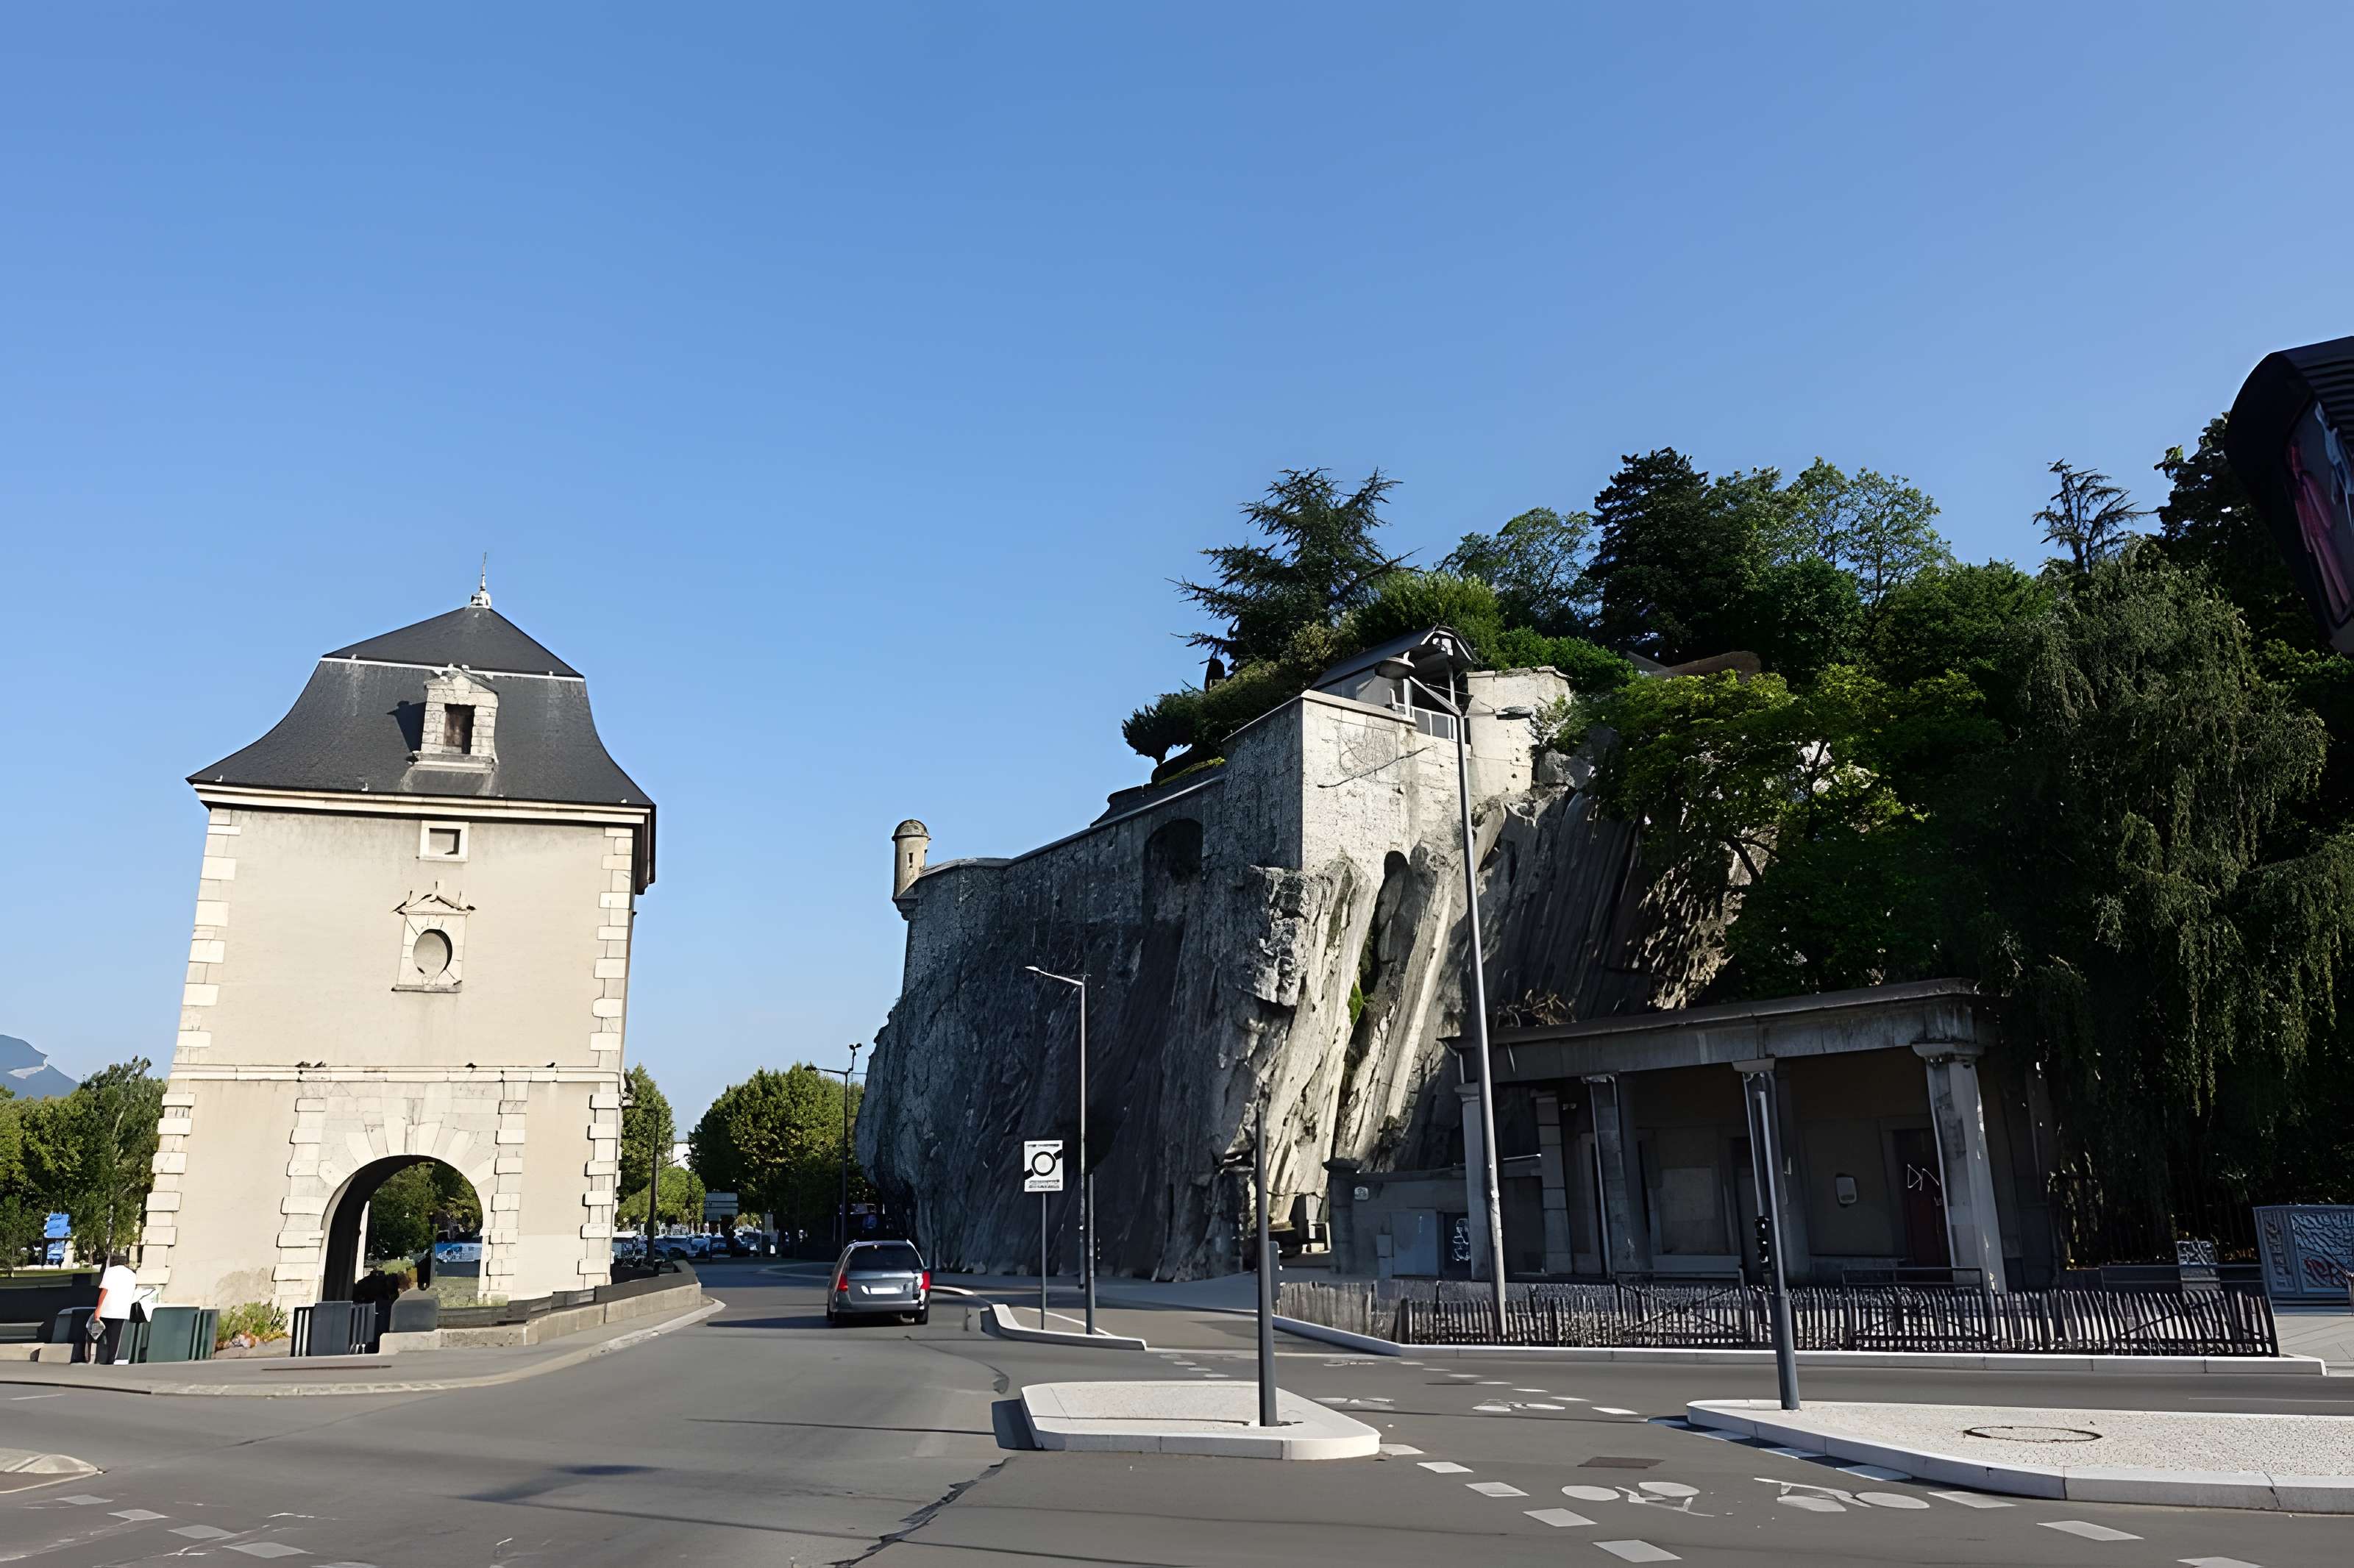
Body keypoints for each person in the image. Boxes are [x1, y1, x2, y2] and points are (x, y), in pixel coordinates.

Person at [92, 1251, 138, 1365]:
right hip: (122, 1310)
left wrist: (98, 1308)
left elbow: (105, 1290)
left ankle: (99, 1358)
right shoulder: (132, 1274)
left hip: (107, 1308)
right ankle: (111, 1359)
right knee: (115, 1336)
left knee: (101, 1334)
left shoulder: (110, 1272)